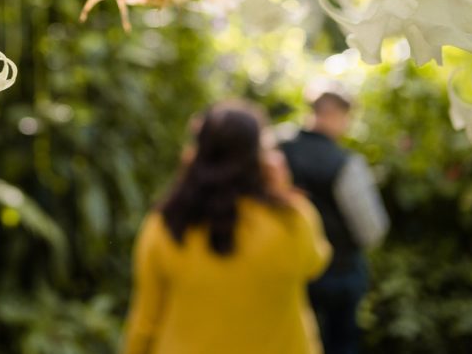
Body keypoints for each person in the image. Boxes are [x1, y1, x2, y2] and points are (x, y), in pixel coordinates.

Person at [123, 101, 331, 354]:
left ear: (197, 153)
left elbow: (146, 321)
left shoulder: (165, 224)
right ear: (260, 157)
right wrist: (282, 191)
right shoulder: (293, 219)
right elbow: (315, 263)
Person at [281, 91, 389, 354]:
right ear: (336, 114)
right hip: (339, 270)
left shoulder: (278, 152)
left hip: (288, 266)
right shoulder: (346, 163)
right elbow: (371, 229)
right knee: (341, 344)